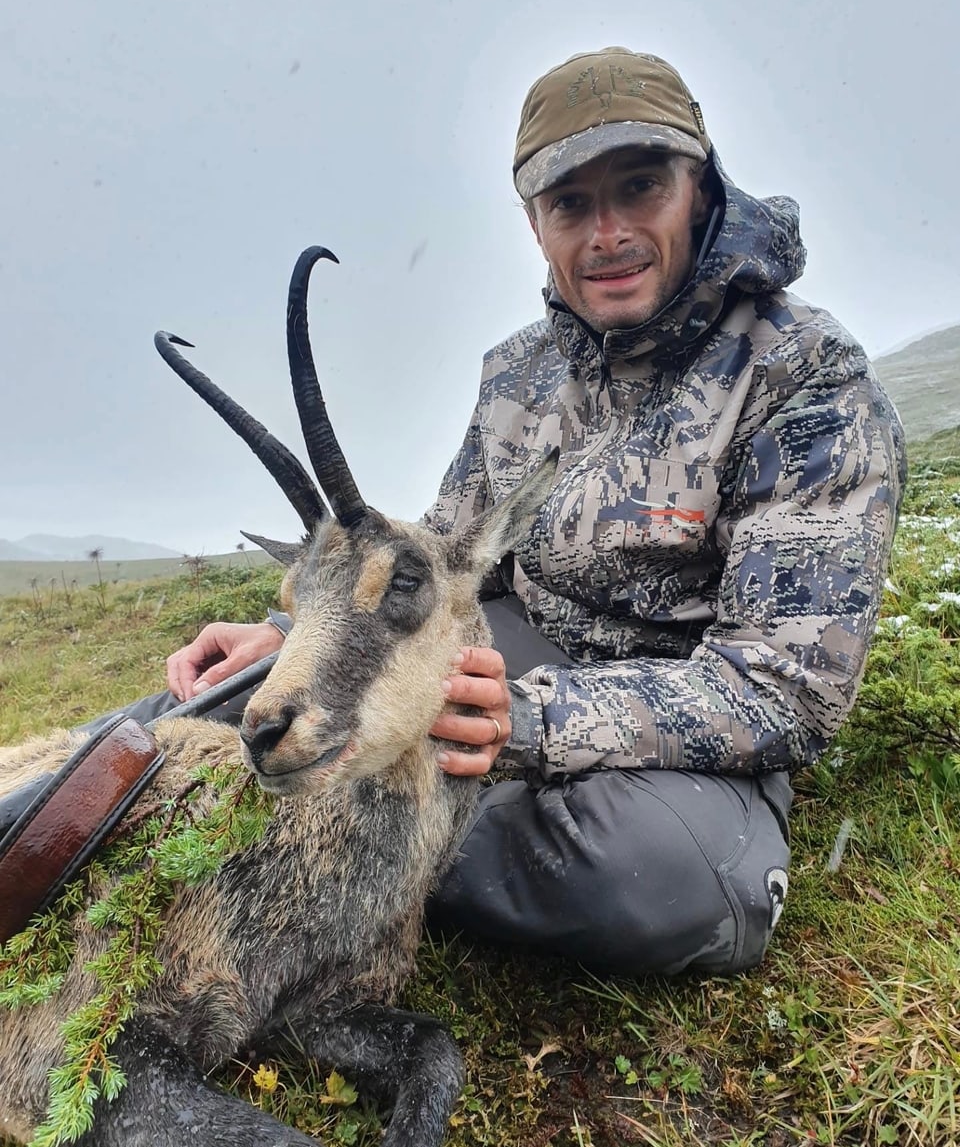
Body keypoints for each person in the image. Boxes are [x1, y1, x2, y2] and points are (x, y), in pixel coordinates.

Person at [103, 48, 908, 975]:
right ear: (535, 224)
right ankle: (65, 807)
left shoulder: (807, 381)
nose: (606, 232)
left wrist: (530, 723)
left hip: (684, 734)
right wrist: (297, 634)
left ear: (699, 186)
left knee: (659, 882)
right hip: (511, 652)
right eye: (570, 204)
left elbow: (784, 689)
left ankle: (337, 842)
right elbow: (441, 556)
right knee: (248, 690)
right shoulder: (519, 371)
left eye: (640, 187)